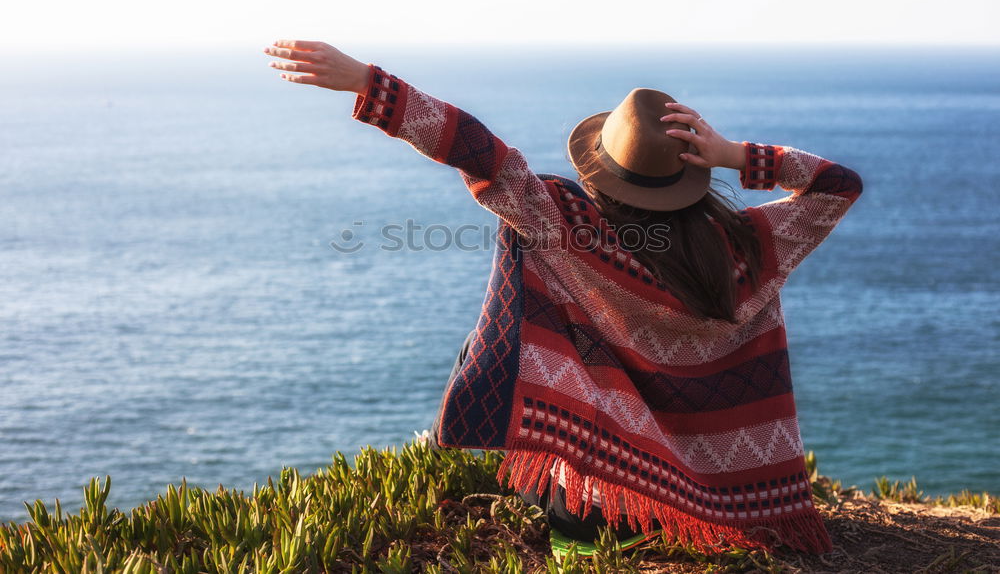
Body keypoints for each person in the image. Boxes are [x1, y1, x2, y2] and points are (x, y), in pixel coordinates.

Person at [263, 39, 863, 555]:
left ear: (601, 169)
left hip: (609, 496)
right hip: (734, 492)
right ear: (691, 172)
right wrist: (736, 155)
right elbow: (838, 185)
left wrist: (369, 84)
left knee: (495, 340)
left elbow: (482, 155)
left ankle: (584, 525)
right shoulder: (753, 246)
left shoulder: (570, 227)